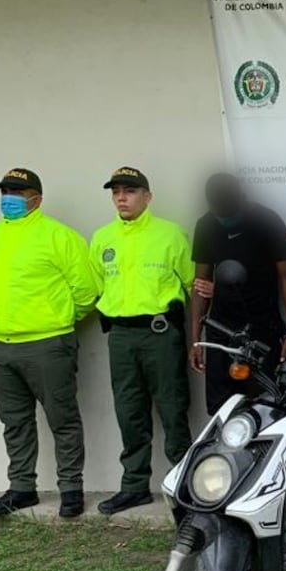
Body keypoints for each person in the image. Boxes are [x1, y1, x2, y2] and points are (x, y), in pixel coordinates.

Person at [0, 168, 98, 518]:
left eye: (16, 192)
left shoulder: (60, 237)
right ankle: (22, 488)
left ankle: (71, 489)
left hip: (47, 346)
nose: (8, 198)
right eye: (4, 192)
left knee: (63, 419)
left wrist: (56, 321)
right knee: (15, 422)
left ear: (36, 199)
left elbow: (86, 292)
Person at [90, 166, 195, 515]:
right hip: (120, 336)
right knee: (129, 410)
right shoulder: (102, 238)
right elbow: (97, 286)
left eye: (130, 191)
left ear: (147, 196)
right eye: (116, 192)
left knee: (172, 408)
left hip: (160, 334)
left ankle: (184, 487)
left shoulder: (170, 235)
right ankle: (134, 486)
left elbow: (192, 284)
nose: (122, 198)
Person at [189, 173, 286, 415]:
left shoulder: (267, 221)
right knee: (222, 409)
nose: (224, 218)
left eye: (229, 212)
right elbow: (200, 284)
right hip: (220, 329)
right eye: (219, 213)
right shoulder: (206, 224)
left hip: (262, 326)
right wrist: (196, 339)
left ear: (242, 197)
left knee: (263, 406)